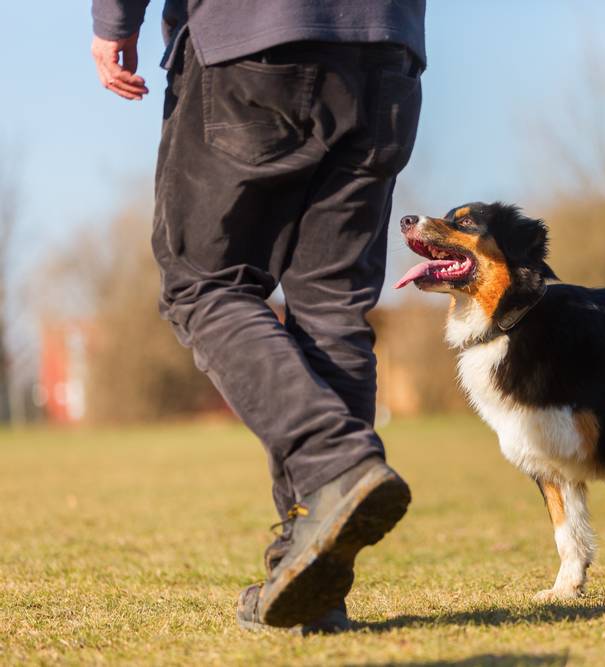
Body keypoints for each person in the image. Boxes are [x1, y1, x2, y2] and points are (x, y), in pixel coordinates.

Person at [90, 0, 426, 633]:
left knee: (203, 286)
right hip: (387, 52)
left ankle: (335, 463)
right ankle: (312, 585)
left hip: (253, 42)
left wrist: (114, 23)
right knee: (333, 309)